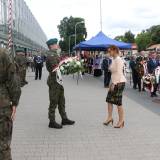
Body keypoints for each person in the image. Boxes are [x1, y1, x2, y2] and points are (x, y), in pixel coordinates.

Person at [46, 38, 75, 129]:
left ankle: (64, 118)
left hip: (58, 80)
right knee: (54, 101)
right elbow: (55, 67)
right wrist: (65, 66)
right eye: (55, 44)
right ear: (51, 46)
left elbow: (60, 65)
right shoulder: (51, 55)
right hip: (54, 81)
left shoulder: (55, 54)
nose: (57, 45)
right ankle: (52, 121)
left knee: (61, 100)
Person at [0, 48, 21, 160]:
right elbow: (13, 80)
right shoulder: (2, 54)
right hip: (2, 104)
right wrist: (14, 102)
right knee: (3, 144)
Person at [104, 45, 126, 128]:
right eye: (108, 51)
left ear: (114, 50)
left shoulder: (119, 60)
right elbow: (113, 73)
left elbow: (119, 73)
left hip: (119, 82)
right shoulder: (114, 59)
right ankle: (109, 117)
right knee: (109, 100)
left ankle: (121, 121)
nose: (109, 53)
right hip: (115, 81)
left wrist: (114, 83)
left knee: (118, 102)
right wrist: (111, 82)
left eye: (110, 51)